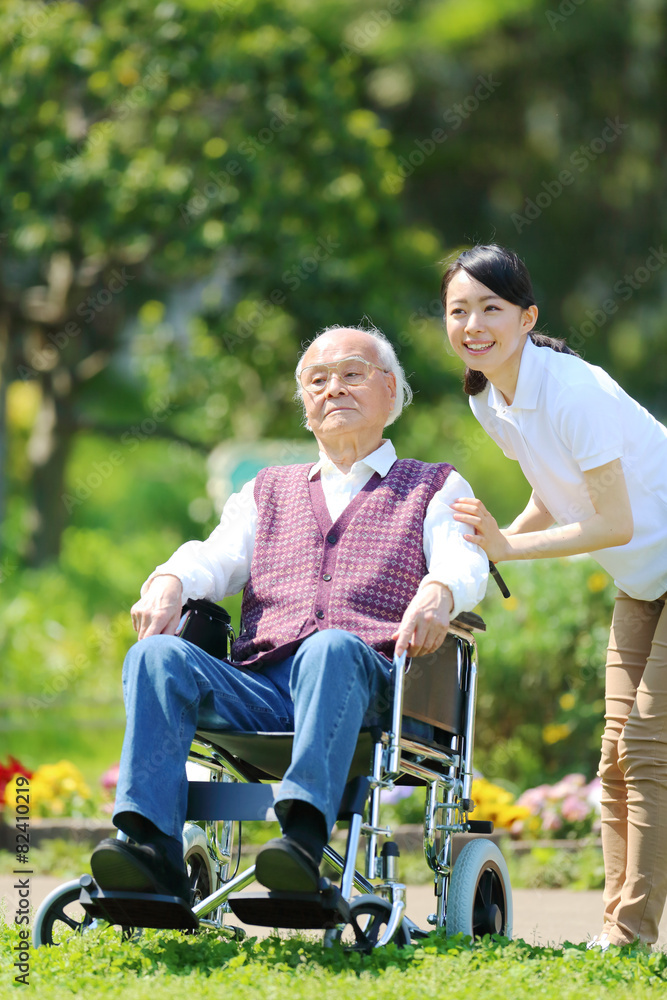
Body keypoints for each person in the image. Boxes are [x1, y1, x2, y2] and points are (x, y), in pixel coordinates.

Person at [91, 324, 488, 902]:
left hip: (372, 684)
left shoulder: (434, 486)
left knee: (330, 646)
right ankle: (150, 848)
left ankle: (301, 844)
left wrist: (439, 592)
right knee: (157, 655)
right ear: (304, 402)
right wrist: (172, 579)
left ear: (391, 391)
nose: (334, 390)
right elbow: (217, 556)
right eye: (317, 381)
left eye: (352, 374)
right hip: (264, 688)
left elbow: (464, 561)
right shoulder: (265, 490)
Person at [441, 243, 667, 949]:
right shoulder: (489, 397)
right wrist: (497, 542)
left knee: (647, 748)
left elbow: (611, 521)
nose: (473, 324)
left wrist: (508, 548)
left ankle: (628, 934)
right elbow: (553, 486)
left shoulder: (573, 391)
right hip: (643, 579)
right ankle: (612, 930)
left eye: (491, 308)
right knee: (612, 757)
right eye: (457, 310)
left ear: (527, 316)